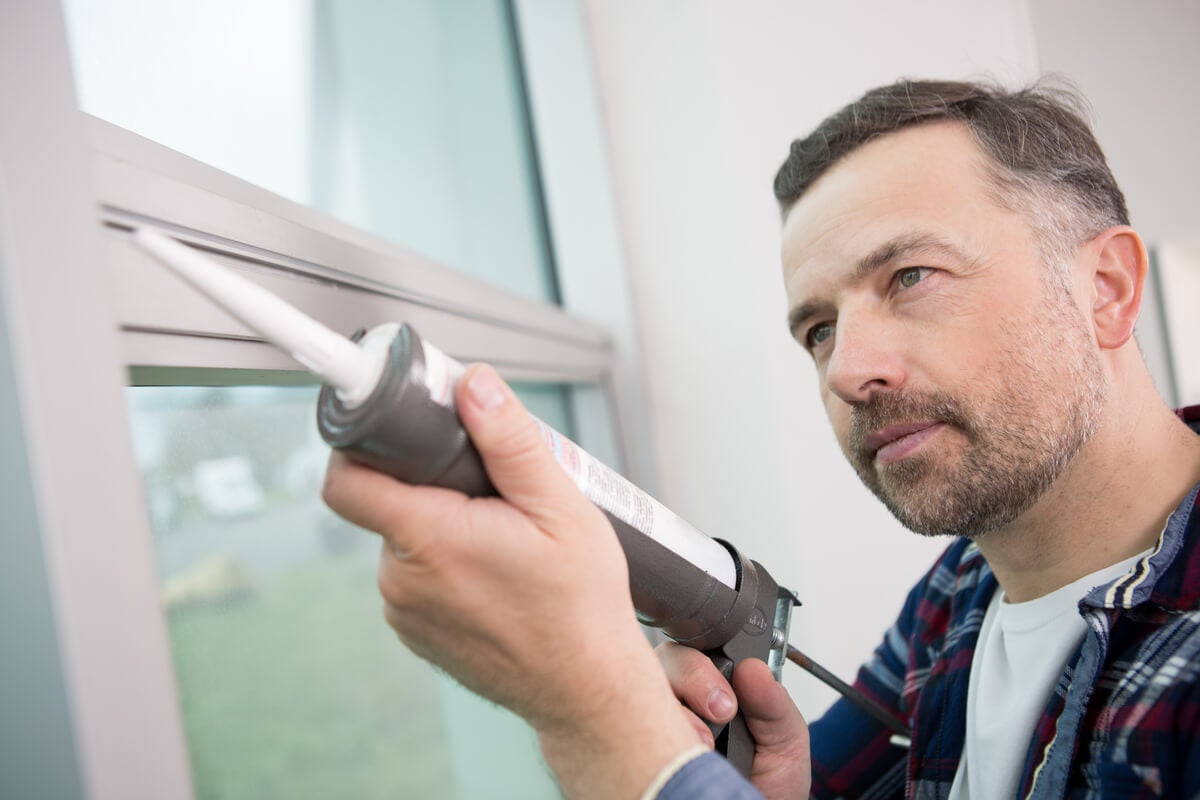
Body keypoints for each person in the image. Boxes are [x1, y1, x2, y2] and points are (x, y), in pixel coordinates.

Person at [322, 79, 1200, 798]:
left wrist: (597, 722)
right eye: (817, 329)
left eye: (912, 276)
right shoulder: (966, 589)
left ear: (1107, 289)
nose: (849, 371)